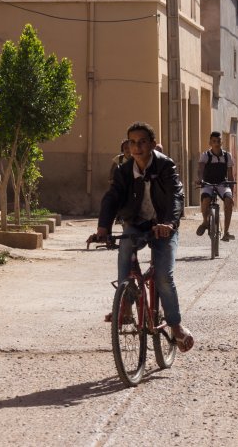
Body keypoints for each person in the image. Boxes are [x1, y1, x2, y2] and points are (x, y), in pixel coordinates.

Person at [92, 121, 194, 352]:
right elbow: (112, 198)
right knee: (125, 251)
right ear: (127, 146)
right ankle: (125, 306)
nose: (136, 147)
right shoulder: (123, 171)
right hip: (136, 223)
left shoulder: (166, 166)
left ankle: (175, 326)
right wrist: (103, 228)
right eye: (132, 142)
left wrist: (169, 223)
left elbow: (176, 196)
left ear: (152, 144)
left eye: (142, 142)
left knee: (163, 276)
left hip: (163, 225)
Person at [196, 131, 235, 241]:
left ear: (221, 142)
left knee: (228, 201)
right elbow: (200, 170)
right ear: (210, 143)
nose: (216, 143)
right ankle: (205, 221)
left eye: (218, 141)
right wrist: (200, 179)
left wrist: (232, 192)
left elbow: (230, 175)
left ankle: (226, 232)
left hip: (222, 184)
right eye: (214, 141)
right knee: (206, 199)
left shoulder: (227, 156)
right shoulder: (205, 155)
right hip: (208, 183)